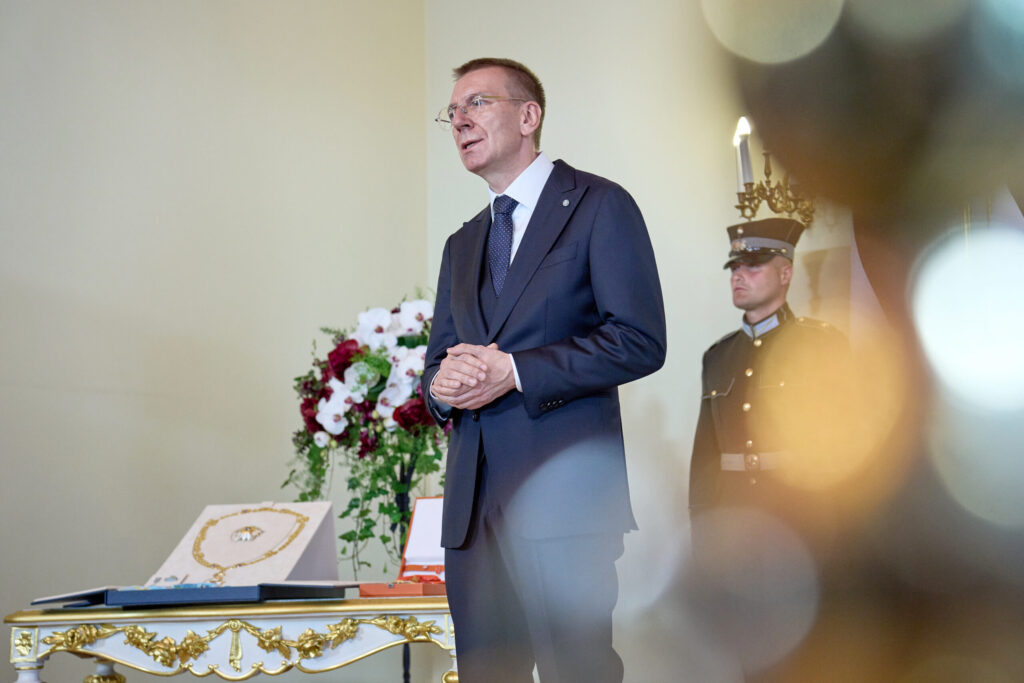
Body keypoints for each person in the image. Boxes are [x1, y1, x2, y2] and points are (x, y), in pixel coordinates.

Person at [422, 57, 666, 683]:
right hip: (472, 512)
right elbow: (438, 364)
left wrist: (517, 371)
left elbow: (639, 340)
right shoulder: (461, 243)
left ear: (528, 116)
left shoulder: (599, 205)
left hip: (565, 500)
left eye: (477, 103)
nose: (460, 120)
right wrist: (440, 388)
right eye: (452, 112)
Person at [687, 217, 851, 680]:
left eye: (753, 265)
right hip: (737, 531)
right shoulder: (718, 357)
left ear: (786, 272)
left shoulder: (820, 345)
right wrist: (704, 537)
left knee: (811, 653)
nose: (738, 275)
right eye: (734, 267)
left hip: (801, 522)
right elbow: (706, 455)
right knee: (751, 654)